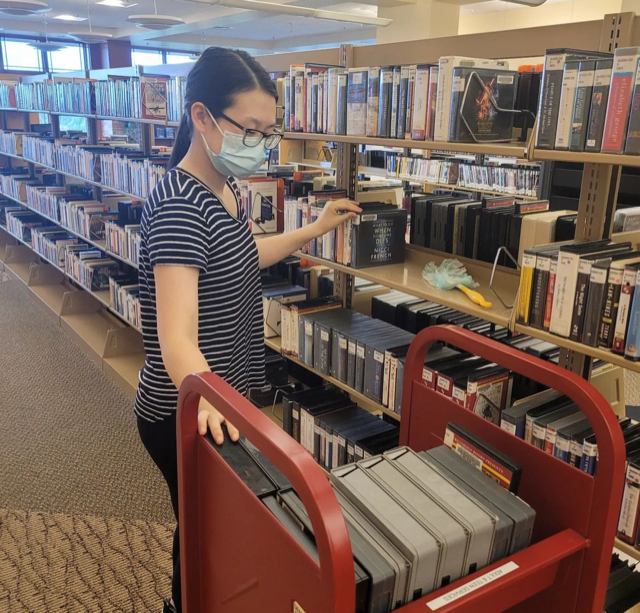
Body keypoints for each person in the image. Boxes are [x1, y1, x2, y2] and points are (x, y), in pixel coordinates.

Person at [134, 46, 361, 613]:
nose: (261, 143)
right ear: (201, 117)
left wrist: (312, 230)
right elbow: (175, 335)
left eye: (269, 131)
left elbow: (242, 254)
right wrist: (210, 400)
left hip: (221, 396)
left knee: (213, 525)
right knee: (204, 529)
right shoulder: (180, 206)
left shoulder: (226, 188)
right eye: (250, 129)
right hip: (185, 407)